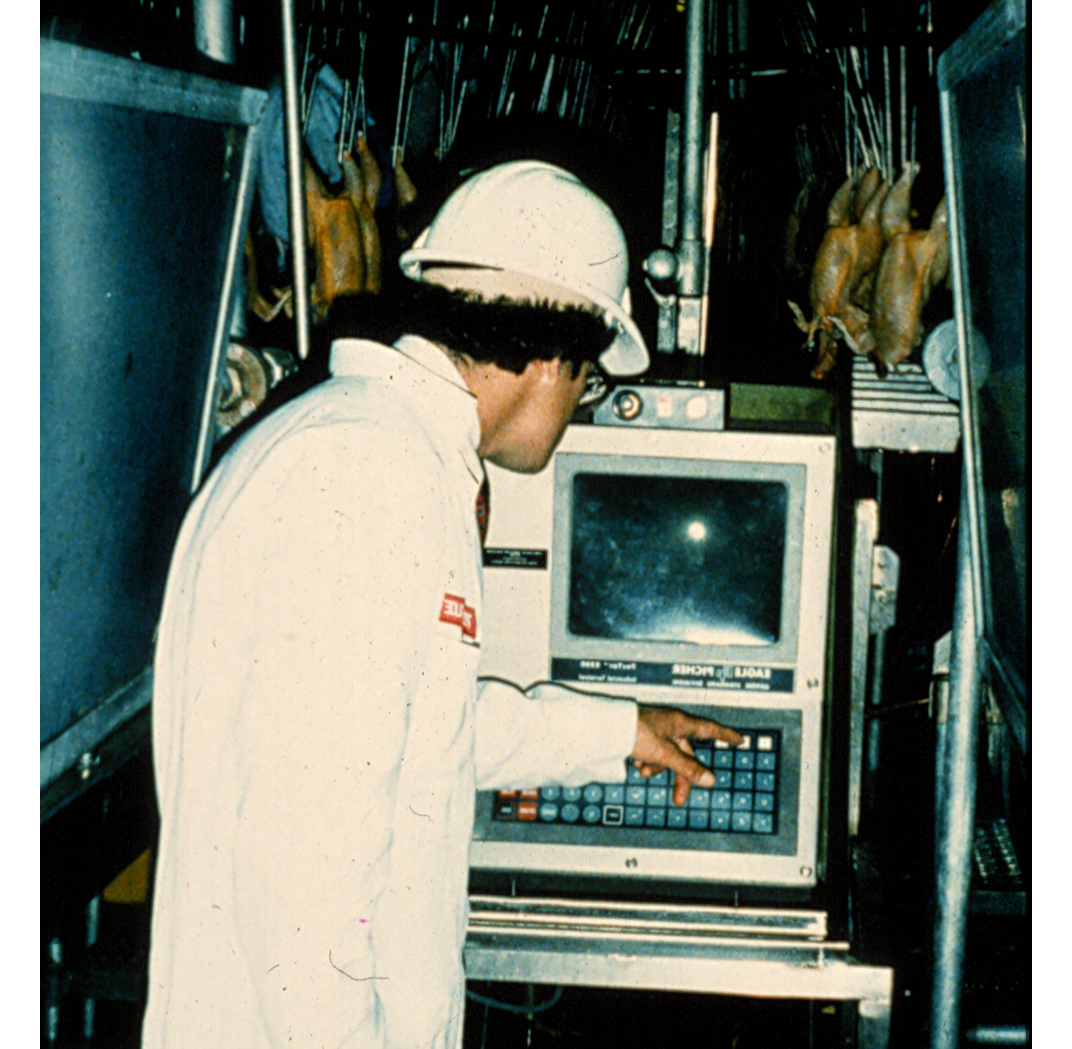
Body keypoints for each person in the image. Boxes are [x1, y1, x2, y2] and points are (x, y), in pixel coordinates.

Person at [142, 160, 742, 1048]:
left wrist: (613, 734)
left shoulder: (382, 453)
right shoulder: (365, 480)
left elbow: (413, 728)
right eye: (587, 382)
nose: (579, 405)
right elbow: (306, 884)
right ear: (551, 358)